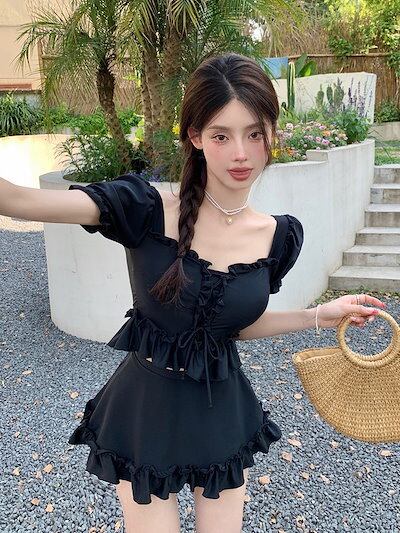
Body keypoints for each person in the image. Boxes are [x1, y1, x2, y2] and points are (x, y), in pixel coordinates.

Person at [0, 52, 385, 533]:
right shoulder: (143, 208)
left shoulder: (279, 236)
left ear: (272, 134)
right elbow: (18, 200)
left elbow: (232, 329)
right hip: (146, 412)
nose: (240, 153)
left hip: (222, 410)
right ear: (196, 137)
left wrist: (317, 316)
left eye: (254, 133)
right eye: (221, 136)